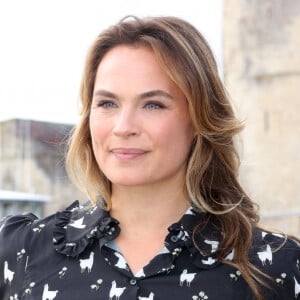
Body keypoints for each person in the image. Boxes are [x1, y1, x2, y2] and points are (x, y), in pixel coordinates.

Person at [0, 16, 299, 300]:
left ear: (199, 119)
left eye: (153, 105)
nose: (124, 127)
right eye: (107, 103)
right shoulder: (21, 250)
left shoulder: (276, 270)